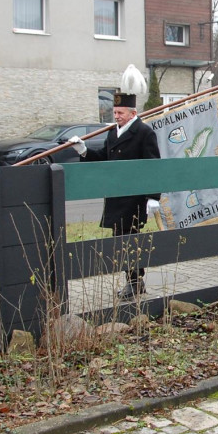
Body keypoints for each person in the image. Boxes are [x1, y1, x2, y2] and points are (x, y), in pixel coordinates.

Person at [68, 64, 160, 298]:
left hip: (134, 198)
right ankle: (134, 282)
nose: (116, 116)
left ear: (132, 113)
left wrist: (152, 197)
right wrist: (84, 150)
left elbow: (153, 167)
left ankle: (135, 282)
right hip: (116, 197)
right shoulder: (112, 133)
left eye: (120, 113)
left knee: (130, 241)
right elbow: (104, 159)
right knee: (120, 242)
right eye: (115, 112)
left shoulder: (144, 133)